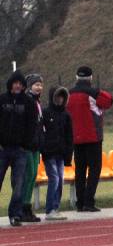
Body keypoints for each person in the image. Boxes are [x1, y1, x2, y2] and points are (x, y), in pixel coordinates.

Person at [66, 65, 113, 212]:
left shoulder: (69, 94)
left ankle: (80, 202)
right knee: (94, 170)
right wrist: (98, 91)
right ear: (91, 77)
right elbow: (109, 101)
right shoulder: (94, 93)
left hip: (75, 138)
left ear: (76, 77)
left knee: (79, 171)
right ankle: (89, 201)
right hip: (93, 137)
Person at [1, 70, 36, 227]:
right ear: (10, 84)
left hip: (20, 150)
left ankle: (15, 214)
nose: (17, 86)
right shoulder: (2, 100)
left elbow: (32, 125)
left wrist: (25, 144)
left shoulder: (29, 103)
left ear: (23, 86)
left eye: (20, 84)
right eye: (15, 83)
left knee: (19, 184)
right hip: (2, 149)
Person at [40, 86, 73, 221]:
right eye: (57, 96)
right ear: (52, 97)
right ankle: (50, 209)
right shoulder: (45, 113)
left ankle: (55, 207)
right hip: (49, 153)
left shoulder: (66, 115)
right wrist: (43, 149)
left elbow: (69, 136)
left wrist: (68, 155)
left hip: (61, 153)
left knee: (60, 179)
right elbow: (41, 132)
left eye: (62, 97)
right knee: (54, 178)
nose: (60, 99)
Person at [19, 74, 45, 222]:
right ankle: (23, 207)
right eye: (36, 85)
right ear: (30, 86)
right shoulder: (27, 101)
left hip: (36, 144)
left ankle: (27, 207)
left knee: (33, 175)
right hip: (28, 145)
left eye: (40, 84)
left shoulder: (37, 101)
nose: (39, 87)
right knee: (28, 176)